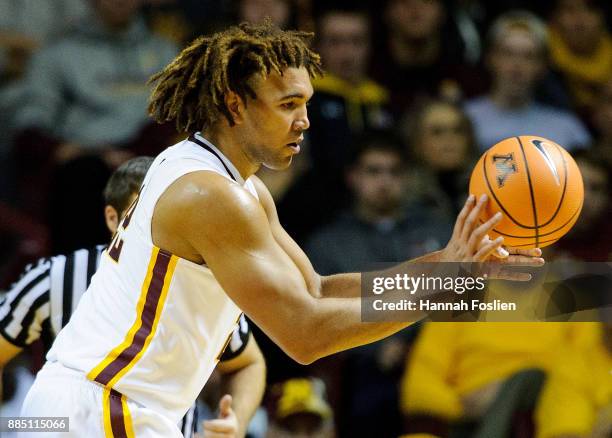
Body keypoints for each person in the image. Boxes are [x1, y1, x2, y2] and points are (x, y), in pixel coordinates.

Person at [20, 21, 542, 437]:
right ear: (234, 105)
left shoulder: (238, 186)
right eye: (288, 105)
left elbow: (315, 289)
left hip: (119, 406)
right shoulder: (211, 196)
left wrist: (447, 266)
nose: (306, 121)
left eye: (307, 103)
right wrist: (442, 291)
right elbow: (306, 334)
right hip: (104, 408)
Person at [1, 157, 265, 437]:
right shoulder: (56, 277)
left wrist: (236, 421)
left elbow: (248, 362)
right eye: (146, 215)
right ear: (113, 219)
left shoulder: (203, 287)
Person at [464, 10, 591, 152]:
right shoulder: (462, 120)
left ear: (543, 66)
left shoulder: (567, 129)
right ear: (490, 58)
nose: (517, 65)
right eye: (508, 53)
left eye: (528, 56)